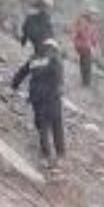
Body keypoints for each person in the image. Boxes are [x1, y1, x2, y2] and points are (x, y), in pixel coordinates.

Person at [11, 36, 65, 168]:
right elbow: (59, 78)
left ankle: (46, 155)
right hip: (52, 98)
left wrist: (14, 84)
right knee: (56, 126)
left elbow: (22, 72)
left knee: (42, 126)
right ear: (54, 49)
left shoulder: (34, 59)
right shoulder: (55, 59)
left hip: (37, 97)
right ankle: (59, 155)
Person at [72, 7, 100, 87]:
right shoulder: (83, 21)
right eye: (93, 14)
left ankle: (86, 81)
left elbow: (94, 36)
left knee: (85, 62)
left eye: (96, 15)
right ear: (89, 14)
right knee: (86, 62)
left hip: (86, 45)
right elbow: (78, 31)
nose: (95, 17)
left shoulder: (93, 24)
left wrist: (95, 44)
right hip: (82, 45)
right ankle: (86, 82)